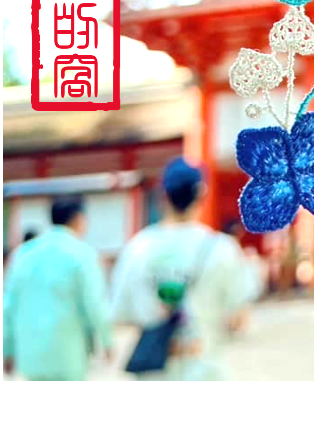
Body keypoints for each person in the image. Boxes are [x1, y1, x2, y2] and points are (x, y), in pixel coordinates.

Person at [111, 158, 254, 381]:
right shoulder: (223, 248)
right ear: (201, 196)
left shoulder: (137, 248)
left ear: (163, 196)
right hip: (204, 370)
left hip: (153, 375)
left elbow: (121, 314)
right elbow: (238, 320)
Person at [3, 199, 112, 381]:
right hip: (70, 354)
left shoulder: (23, 254)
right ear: (78, 219)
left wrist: (7, 349)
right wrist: (107, 341)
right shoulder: (82, 254)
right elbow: (94, 303)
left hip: (31, 354)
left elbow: (9, 306)